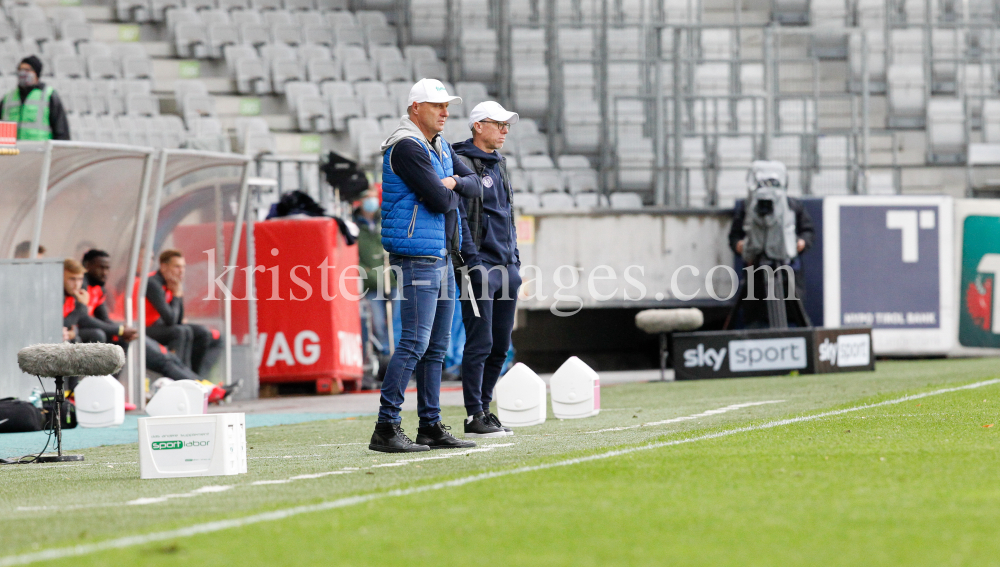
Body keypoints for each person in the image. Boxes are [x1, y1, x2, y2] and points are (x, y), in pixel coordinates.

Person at [369, 78, 480, 453]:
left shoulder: (438, 146)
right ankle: (386, 426)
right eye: (437, 106)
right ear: (415, 107)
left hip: (440, 255)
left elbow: (477, 183)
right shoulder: (406, 147)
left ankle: (430, 425)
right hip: (418, 255)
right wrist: (452, 185)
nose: (446, 112)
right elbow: (439, 201)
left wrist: (449, 182)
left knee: (436, 346)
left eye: (447, 106)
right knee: (415, 342)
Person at [452, 101, 522, 438]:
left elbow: (507, 215)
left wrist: (516, 261)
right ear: (479, 126)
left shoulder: (500, 165)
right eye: (499, 124)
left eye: (507, 125)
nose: (505, 130)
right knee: (480, 342)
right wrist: (472, 264)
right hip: (479, 268)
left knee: (500, 345)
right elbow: (460, 219)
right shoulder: (461, 162)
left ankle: (485, 409)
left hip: (506, 267)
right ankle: (472, 416)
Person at [727, 163, 815, 328]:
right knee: (755, 319)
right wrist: (742, 246)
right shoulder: (747, 207)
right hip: (755, 273)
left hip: (788, 271)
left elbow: (808, 232)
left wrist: (799, 243)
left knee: (793, 316)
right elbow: (734, 236)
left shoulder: (793, 206)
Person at [144, 249, 222, 377]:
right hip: (143, 328)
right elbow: (171, 320)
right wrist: (177, 294)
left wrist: (178, 294)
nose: (182, 271)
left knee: (202, 333)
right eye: (177, 267)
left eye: (183, 267)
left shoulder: (171, 283)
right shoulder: (153, 283)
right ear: (163, 267)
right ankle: (181, 377)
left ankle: (195, 377)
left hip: (159, 326)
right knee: (180, 332)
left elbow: (178, 320)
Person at [354, 187, 396, 368]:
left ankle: (399, 357)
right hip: (371, 284)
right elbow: (354, 258)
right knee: (377, 323)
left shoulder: (386, 220)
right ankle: (384, 356)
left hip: (392, 281)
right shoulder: (354, 227)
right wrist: (368, 273)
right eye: (367, 199)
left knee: (396, 321)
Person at [0, 56, 70, 141]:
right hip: (11, 151)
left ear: (36, 73)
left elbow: (61, 130)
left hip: (38, 151)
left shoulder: (48, 95)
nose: (23, 73)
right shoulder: (8, 98)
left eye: (27, 70)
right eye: (20, 69)